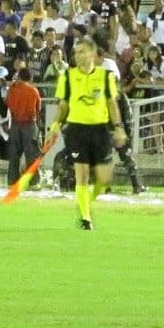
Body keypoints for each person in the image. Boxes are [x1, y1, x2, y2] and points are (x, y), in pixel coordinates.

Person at [54, 39, 126, 230]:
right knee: (82, 176)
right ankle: (85, 217)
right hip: (76, 130)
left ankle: (85, 201)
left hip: (99, 130)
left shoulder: (105, 77)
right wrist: (55, 124)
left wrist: (118, 127)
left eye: (82, 52)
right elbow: (63, 105)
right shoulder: (67, 77)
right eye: (76, 53)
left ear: (92, 54)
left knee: (103, 180)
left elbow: (112, 103)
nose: (77, 56)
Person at [3, 69, 41, 186]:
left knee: (14, 156)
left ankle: (12, 181)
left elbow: (7, 103)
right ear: (30, 78)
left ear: (19, 76)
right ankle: (33, 182)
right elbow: (37, 108)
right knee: (31, 155)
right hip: (29, 125)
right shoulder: (33, 90)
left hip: (15, 124)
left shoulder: (12, 90)